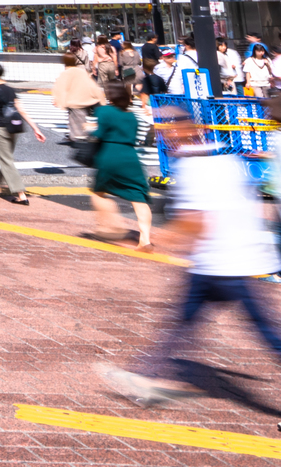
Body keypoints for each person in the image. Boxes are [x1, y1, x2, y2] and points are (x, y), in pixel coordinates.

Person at [98, 106, 281, 406]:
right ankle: (147, 376)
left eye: (169, 129)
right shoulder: (225, 158)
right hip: (231, 261)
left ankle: (147, 375)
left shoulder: (193, 166)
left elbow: (198, 220)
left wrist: (157, 240)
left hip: (224, 264)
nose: (166, 136)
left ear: (183, 131)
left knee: (263, 332)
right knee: (185, 323)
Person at [89, 78, 155, 250]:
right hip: (130, 157)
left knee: (99, 192)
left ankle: (110, 226)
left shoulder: (104, 111)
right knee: (138, 198)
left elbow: (99, 133)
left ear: (109, 94)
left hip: (109, 155)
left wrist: (88, 128)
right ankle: (145, 239)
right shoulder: (131, 115)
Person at [0, 61, 45, 204]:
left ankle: (21, 194)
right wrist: (35, 128)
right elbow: (21, 109)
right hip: (13, 128)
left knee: (6, 160)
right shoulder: (10, 90)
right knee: (5, 157)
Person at [49, 51, 104, 143]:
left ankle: (79, 138)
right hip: (86, 99)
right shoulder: (81, 72)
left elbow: (60, 88)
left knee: (76, 120)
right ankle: (77, 136)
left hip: (74, 101)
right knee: (77, 119)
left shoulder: (66, 73)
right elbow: (92, 85)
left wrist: (57, 100)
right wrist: (100, 98)